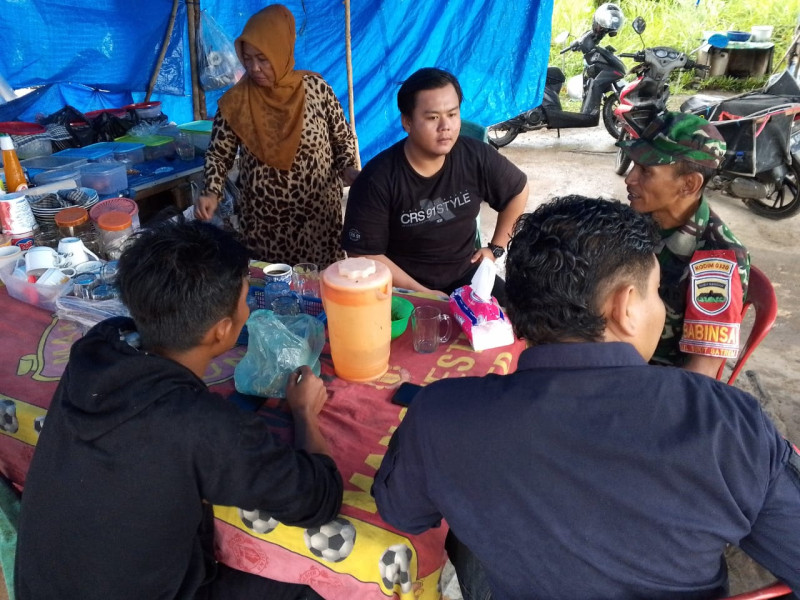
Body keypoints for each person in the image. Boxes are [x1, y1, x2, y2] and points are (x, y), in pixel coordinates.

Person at [372, 196, 800, 600]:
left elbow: (403, 513)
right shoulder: (724, 421)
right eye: (654, 293)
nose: (661, 309)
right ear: (625, 305)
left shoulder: (440, 414)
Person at [15, 220, 343, 600]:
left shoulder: (96, 350)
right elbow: (319, 498)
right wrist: (303, 413)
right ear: (222, 330)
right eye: (244, 298)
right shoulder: (204, 425)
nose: (247, 306)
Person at [341, 67, 529, 302]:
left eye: (452, 114)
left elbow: (518, 190)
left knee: (522, 321)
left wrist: (495, 249)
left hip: (468, 276)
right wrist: (423, 294)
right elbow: (361, 253)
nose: (445, 126)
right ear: (407, 122)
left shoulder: (475, 156)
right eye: (432, 118)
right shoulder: (377, 179)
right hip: (402, 289)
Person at [195, 4, 359, 268]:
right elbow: (219, 153)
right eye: (247, 59)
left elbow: (342, 138)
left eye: (263, 58)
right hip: (265, 225)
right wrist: (211, 191)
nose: (255, 68)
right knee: (273, 293)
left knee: (321, 288)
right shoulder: (235, 101)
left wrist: (349, 167)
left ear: (281, 50)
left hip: (318, 219)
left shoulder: (316, 89)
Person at [617, 112, 750, 377]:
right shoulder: (636, 220)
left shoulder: (716, 259)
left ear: (689, 184)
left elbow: (701, 372)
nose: (630, 179)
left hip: (654, 383)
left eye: (645, 171)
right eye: (633, 166)